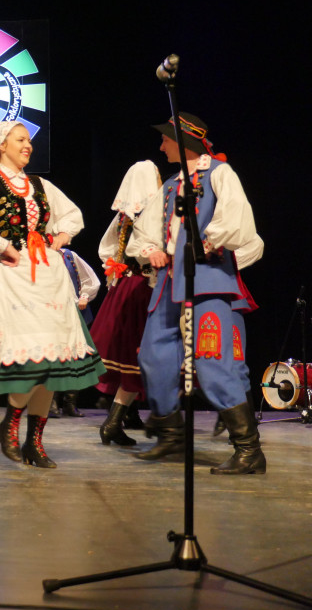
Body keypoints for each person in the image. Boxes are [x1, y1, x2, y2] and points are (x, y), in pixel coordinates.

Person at [0, 120, 103, 469]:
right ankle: (11, 422)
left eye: (29, 140)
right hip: (14, 277)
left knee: (53, 361)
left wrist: (61, 237)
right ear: (2, 145)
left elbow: (72, 216)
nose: (28, 145)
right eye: (20, 140)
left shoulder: (41, 185)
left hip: (48, 277)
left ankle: (34, 442)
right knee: (32, 360)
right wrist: (2, 244)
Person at [126, 112, 265, 474]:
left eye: (165, 139)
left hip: (207, 282)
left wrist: (208, 241)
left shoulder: (219, 173)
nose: (161, 146)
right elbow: (145, 231)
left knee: (213, 361)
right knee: (154, 357)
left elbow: (237, 219)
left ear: (183, 140)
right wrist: (151, 249)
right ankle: (171, 435)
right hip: (171, 285)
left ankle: (249, 451)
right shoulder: (171, 185)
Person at [89, 160, 162, 447]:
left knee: (130, 357)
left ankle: (127, 416)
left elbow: (106, 249)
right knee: (138, 357)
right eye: (156, 176)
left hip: (125, 285)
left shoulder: (124, 216)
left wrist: (117, 269)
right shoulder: (149, 214)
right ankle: (115, 422)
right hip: (143, 287)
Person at [49, 248, 101, 419]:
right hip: (51, 313)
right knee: (54, 356)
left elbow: (90, 278)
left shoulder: (68, 256)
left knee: (77, 356)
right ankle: (51, 402)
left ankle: (70, 403)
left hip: (75, 311)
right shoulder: (35, 254)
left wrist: (85, 296)